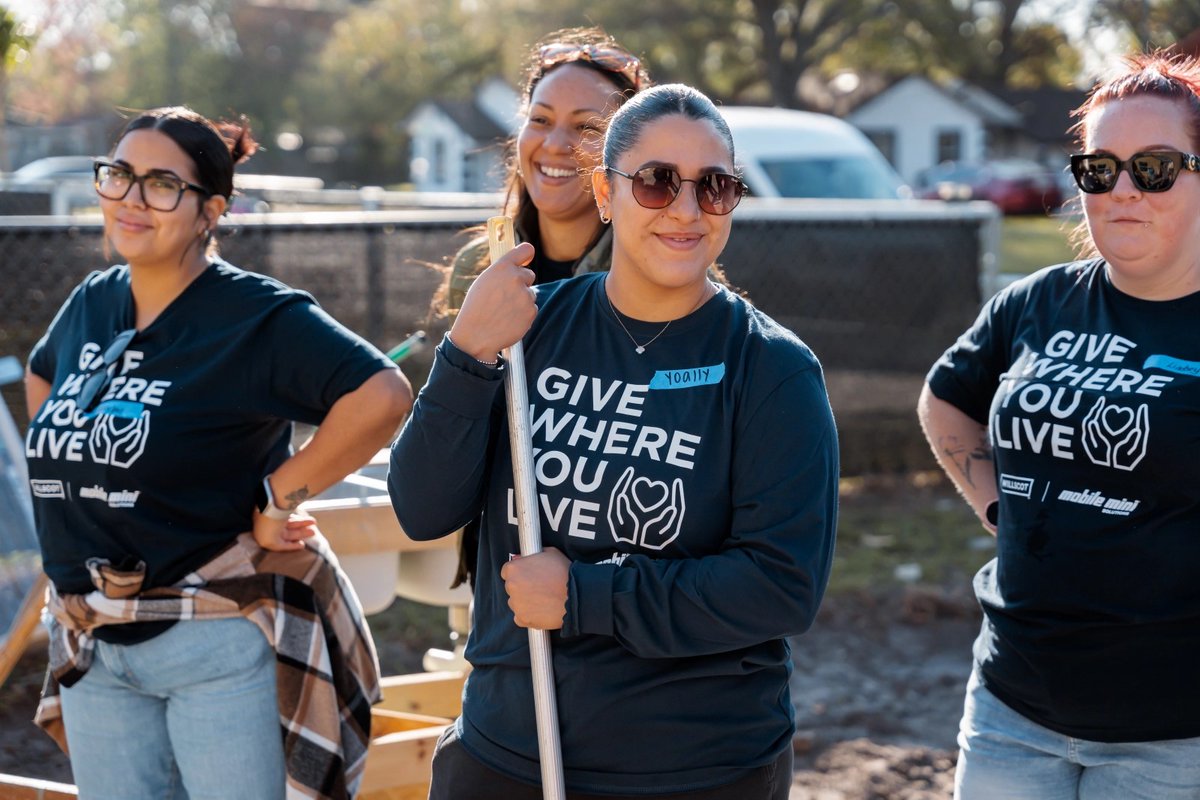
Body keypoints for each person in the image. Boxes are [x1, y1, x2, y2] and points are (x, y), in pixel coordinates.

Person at [390, 83, 838, 799]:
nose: (686, 210)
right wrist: (466, 354)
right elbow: (420, 509)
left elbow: (780, 587)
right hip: (508, 750)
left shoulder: (772, 368)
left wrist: (585, 596)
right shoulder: (527, 330)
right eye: (657, 182)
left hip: (693, 770)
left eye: (714, 186)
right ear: (605, 190)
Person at [23, 106, 412, 799]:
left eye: (162, 184)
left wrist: (277, 497)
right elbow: (43, 374)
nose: (133, 199)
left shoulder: (254, 316)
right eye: (120, 175)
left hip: (211, 641)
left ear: (211, 211)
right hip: (93, 642)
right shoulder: (94, 300)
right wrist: (77, 465)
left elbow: (381, 395)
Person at [918, 51, 1200, 799]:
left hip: (1172, 738)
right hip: (1011, 707)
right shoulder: (1037, 302)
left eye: (1157, 167)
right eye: (1099, 169)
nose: (1123, 191)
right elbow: (945, 398)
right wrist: (994, 504)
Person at [435, 27, 650, 589]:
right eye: (539, 119)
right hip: (498, 570)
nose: (554, 144)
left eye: (584, 128)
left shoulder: (661, 278)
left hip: (621, 574)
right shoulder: (478, 271)